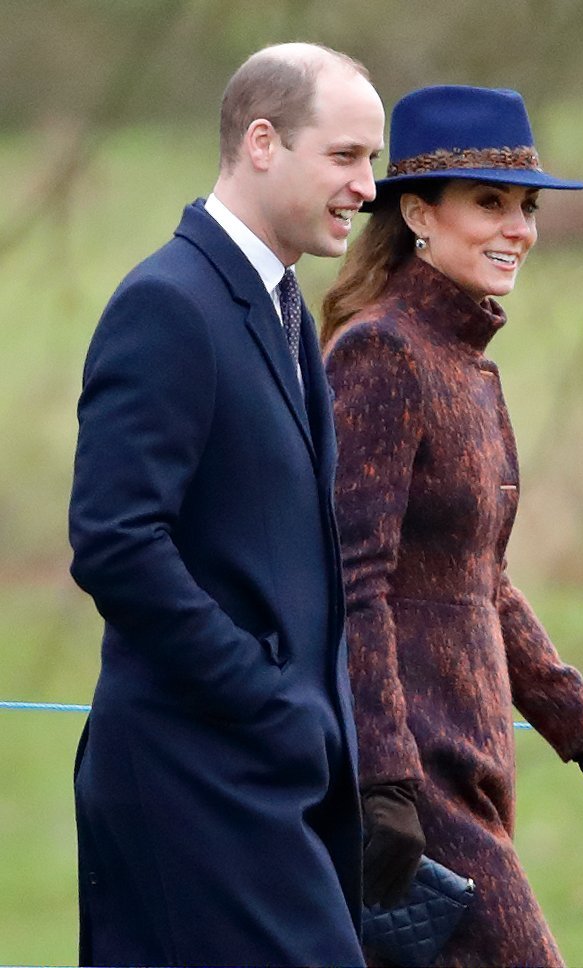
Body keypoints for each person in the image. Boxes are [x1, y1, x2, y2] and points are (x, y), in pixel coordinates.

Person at [68, 42, 384, 967]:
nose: (365, 187)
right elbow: (116, 543)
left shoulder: (280, 305)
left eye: (369, 160)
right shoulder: (170, 302)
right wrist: (265, 697)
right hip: (192, 771)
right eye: (345, 156)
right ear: (260, 142)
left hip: (267, 775)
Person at [322, 85, 583, 967]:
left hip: (472, 757)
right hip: (414, 769)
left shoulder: (464, 363)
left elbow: (480, 579)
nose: (518, 229)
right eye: (490, 203)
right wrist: (384, 780)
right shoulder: (380, 352)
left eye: (527, 207)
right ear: (419, 213)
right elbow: (356, 580)